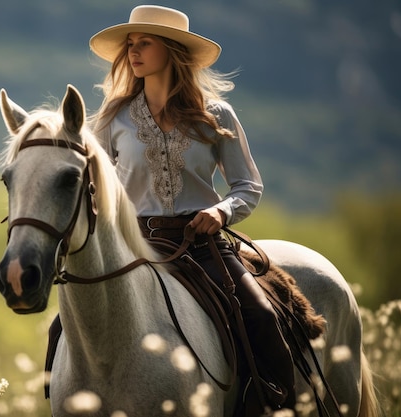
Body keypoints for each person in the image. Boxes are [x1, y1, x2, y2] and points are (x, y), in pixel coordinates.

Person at [89, 5, 296, 414]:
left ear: (172, 50)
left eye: (144, 42)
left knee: (260, 316)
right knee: (67, 323)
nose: (134, 51)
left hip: (202, 244)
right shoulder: (114, 117)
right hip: (136, 245)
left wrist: (220, 213)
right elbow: (95, 184)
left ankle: (271, 403)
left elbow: (247, 186)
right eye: (131, 44)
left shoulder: (216, 115)